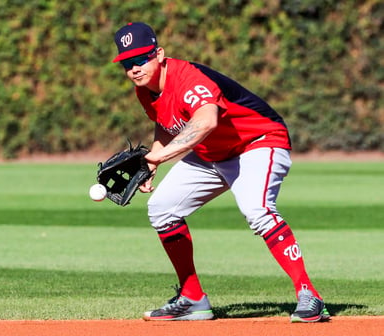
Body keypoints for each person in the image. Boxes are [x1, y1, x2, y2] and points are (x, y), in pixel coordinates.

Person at [111, 22, 330, 323]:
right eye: (127, 63)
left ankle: (309, 294)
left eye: (141, 59)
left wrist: (157, 156)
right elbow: (165, 123)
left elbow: (206, 121)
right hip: (211, 154)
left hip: (258, 142)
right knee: (161, 209)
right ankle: (192, 299)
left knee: (257, 210)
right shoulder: (146, 91)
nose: (134, 68)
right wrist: (154, 162)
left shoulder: (187, 78)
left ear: (159, 54)